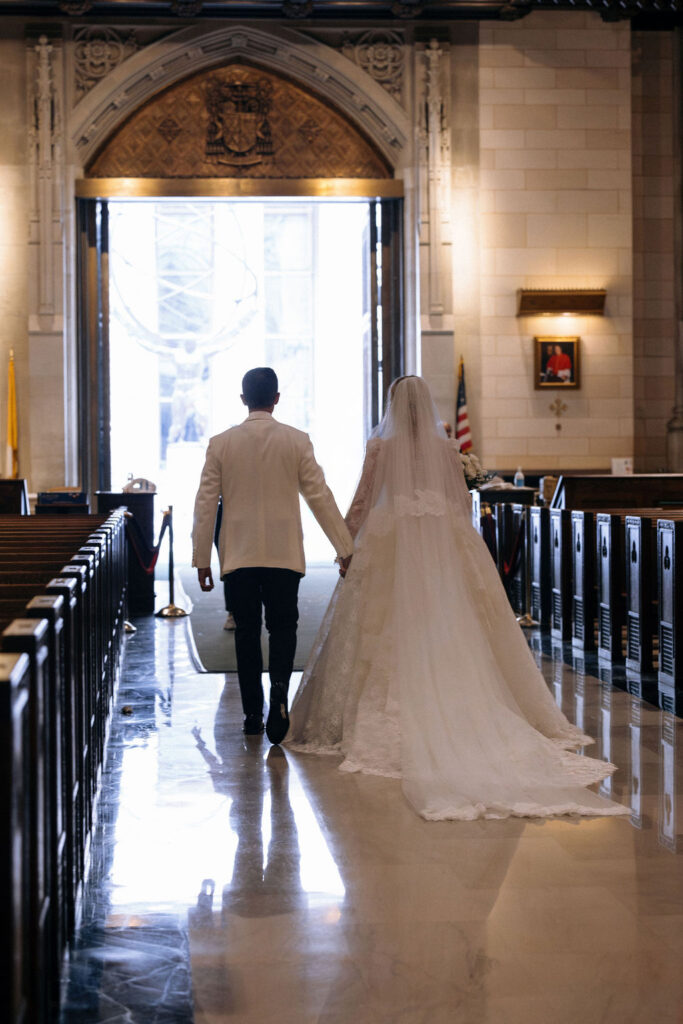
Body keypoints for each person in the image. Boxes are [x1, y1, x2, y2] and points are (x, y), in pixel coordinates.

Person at [287, 376, 628, 822]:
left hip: (391, 538)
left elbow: (364, 502)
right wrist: (455, 546)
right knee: (449, 623)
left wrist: (346, 546)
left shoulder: (380, 448)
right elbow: (459, 505)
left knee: (382, 625)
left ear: (392, 405)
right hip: (443, 539)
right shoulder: (448, 448)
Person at [192, 367, 353, 743]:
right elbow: (319, 497)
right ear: (277, 398)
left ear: (243, 398)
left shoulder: (221, 443)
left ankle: (252, 713)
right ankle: (280, 694)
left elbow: (204, 504)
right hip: (283, 555)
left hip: (239, 556)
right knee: (284, 627)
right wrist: (344, 548)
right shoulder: (297, 441)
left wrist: (202, 558)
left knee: (246, 632)